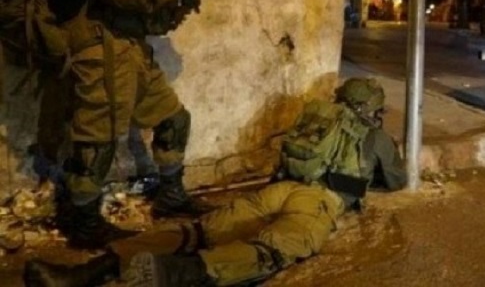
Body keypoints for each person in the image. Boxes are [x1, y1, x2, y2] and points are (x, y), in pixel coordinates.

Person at [23, 78, 408, 287]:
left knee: (201, 230)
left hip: (276, 190)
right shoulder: (373, 135)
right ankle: (173, 274)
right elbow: (396, 180)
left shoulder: (317, 116)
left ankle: (87, 272)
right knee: (271, 250)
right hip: (317, 202)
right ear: (371, 110)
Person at [52, 0, 211, 250]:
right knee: (99, 136)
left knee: (173, 118)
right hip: (102, 44)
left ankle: (171, 195)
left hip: (129, 46)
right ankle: (83, 220)